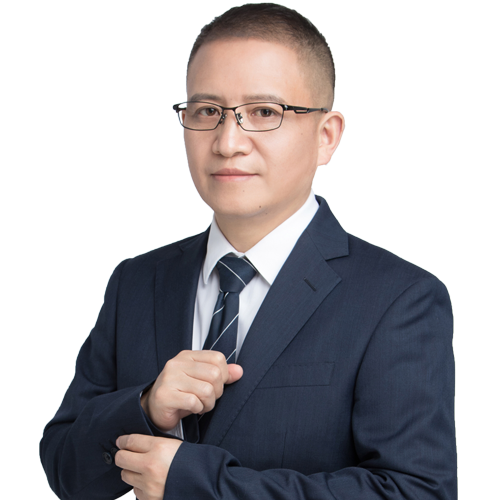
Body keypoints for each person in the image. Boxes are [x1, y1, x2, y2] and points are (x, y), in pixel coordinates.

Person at [39, 3, 457, 500]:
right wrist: (146, 407)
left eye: (264, 112)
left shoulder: (399, 299)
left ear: (326, 137)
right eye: (207, 111)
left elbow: (416, 491)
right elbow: (67, 473)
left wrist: (199, 483)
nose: (228, 141)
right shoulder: (137, 281)